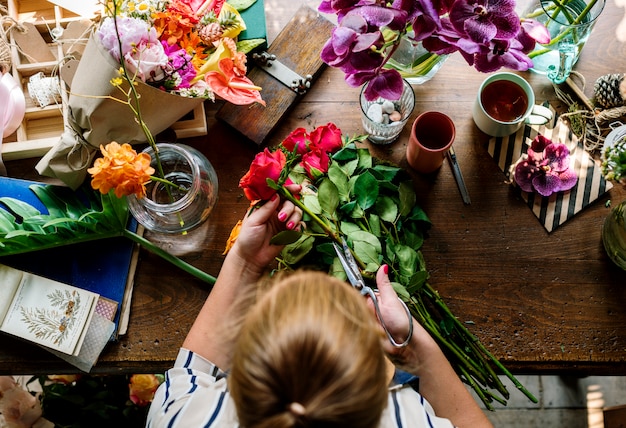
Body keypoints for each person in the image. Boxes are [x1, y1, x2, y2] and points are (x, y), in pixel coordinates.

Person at [146, 192, 493, 428]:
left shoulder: (184, 417)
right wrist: (411, 342)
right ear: (379, 381)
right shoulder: (405, 417)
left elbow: (194, 370)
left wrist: (246, 263)